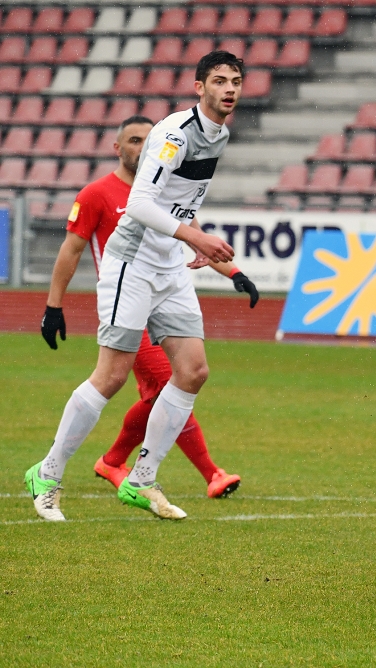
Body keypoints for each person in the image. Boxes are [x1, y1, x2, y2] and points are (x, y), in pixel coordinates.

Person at [25, 50, 247, 521]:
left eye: (236, 81)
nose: (230, 89)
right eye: (220, 81)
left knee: (193, 371)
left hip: (169, 263)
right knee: (112, 376)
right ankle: (47, 472)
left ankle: (142, 479)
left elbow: (180, 203)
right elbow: (141, 205)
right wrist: (196, 236)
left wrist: (194, 244)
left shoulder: (220, 134)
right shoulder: (172, 134)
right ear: (198, 87)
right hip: (132, 262)